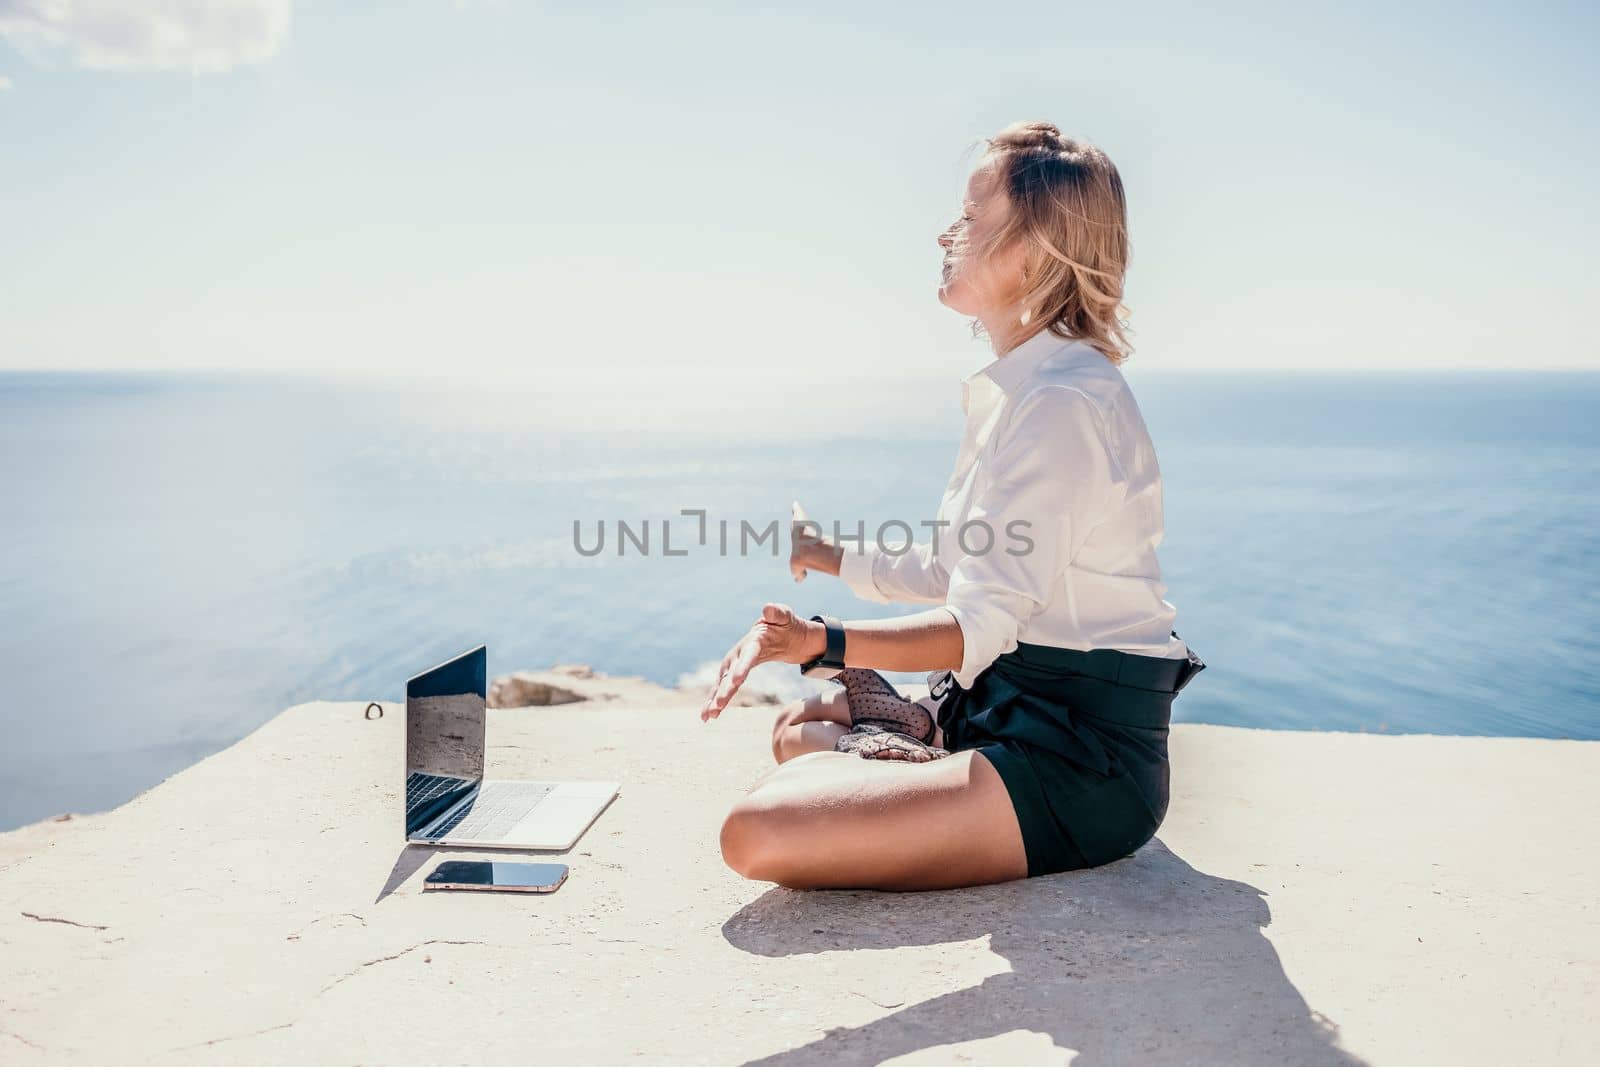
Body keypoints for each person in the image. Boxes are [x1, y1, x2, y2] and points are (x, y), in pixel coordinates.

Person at [699, 121, 1205, 891]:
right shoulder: (1021, 389)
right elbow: (954, 569)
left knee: (757, 831)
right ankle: (928, 742)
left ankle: (924, 750)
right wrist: (832, 555)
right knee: (796, 738)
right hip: (1000, 709)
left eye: (971, 218)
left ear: (1031, 254)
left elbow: (975, 624)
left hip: (1076, 760)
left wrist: (820, 642)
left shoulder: (1063, 404)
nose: (948, 232)